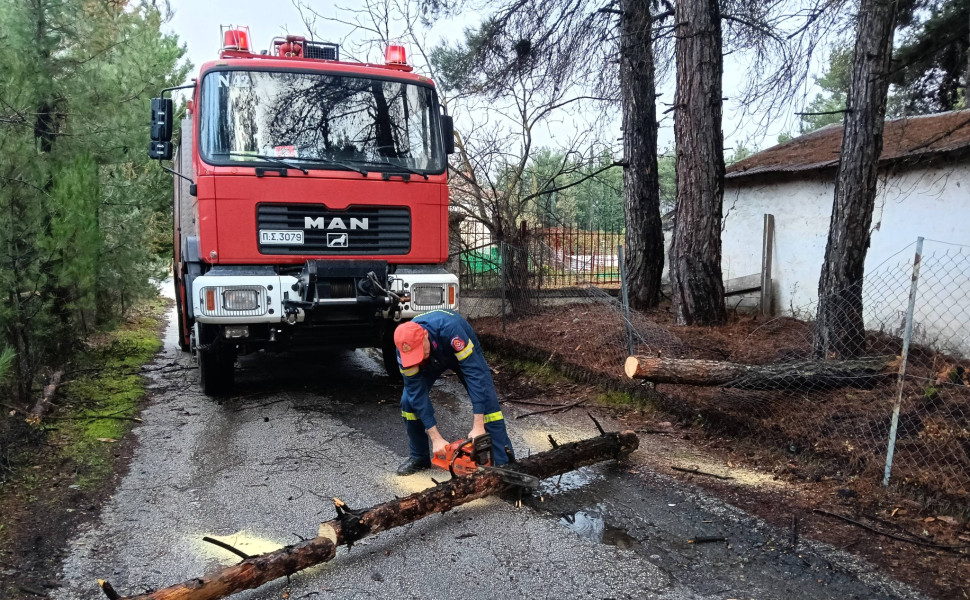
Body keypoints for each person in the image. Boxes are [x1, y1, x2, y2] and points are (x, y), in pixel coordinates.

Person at [393, 309, 514, 475]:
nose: (418, 358)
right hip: (433, 359)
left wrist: (478, 426)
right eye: (413, 355)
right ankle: (419, 456)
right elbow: (416, 393)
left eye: (419, 352)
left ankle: (505, 467)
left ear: (425, 335)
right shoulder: (404, 349)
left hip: (458, 351)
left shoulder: (451, 330)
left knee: (488, 402)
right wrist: (436, 438)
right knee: (408, 402)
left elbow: (475, 375)